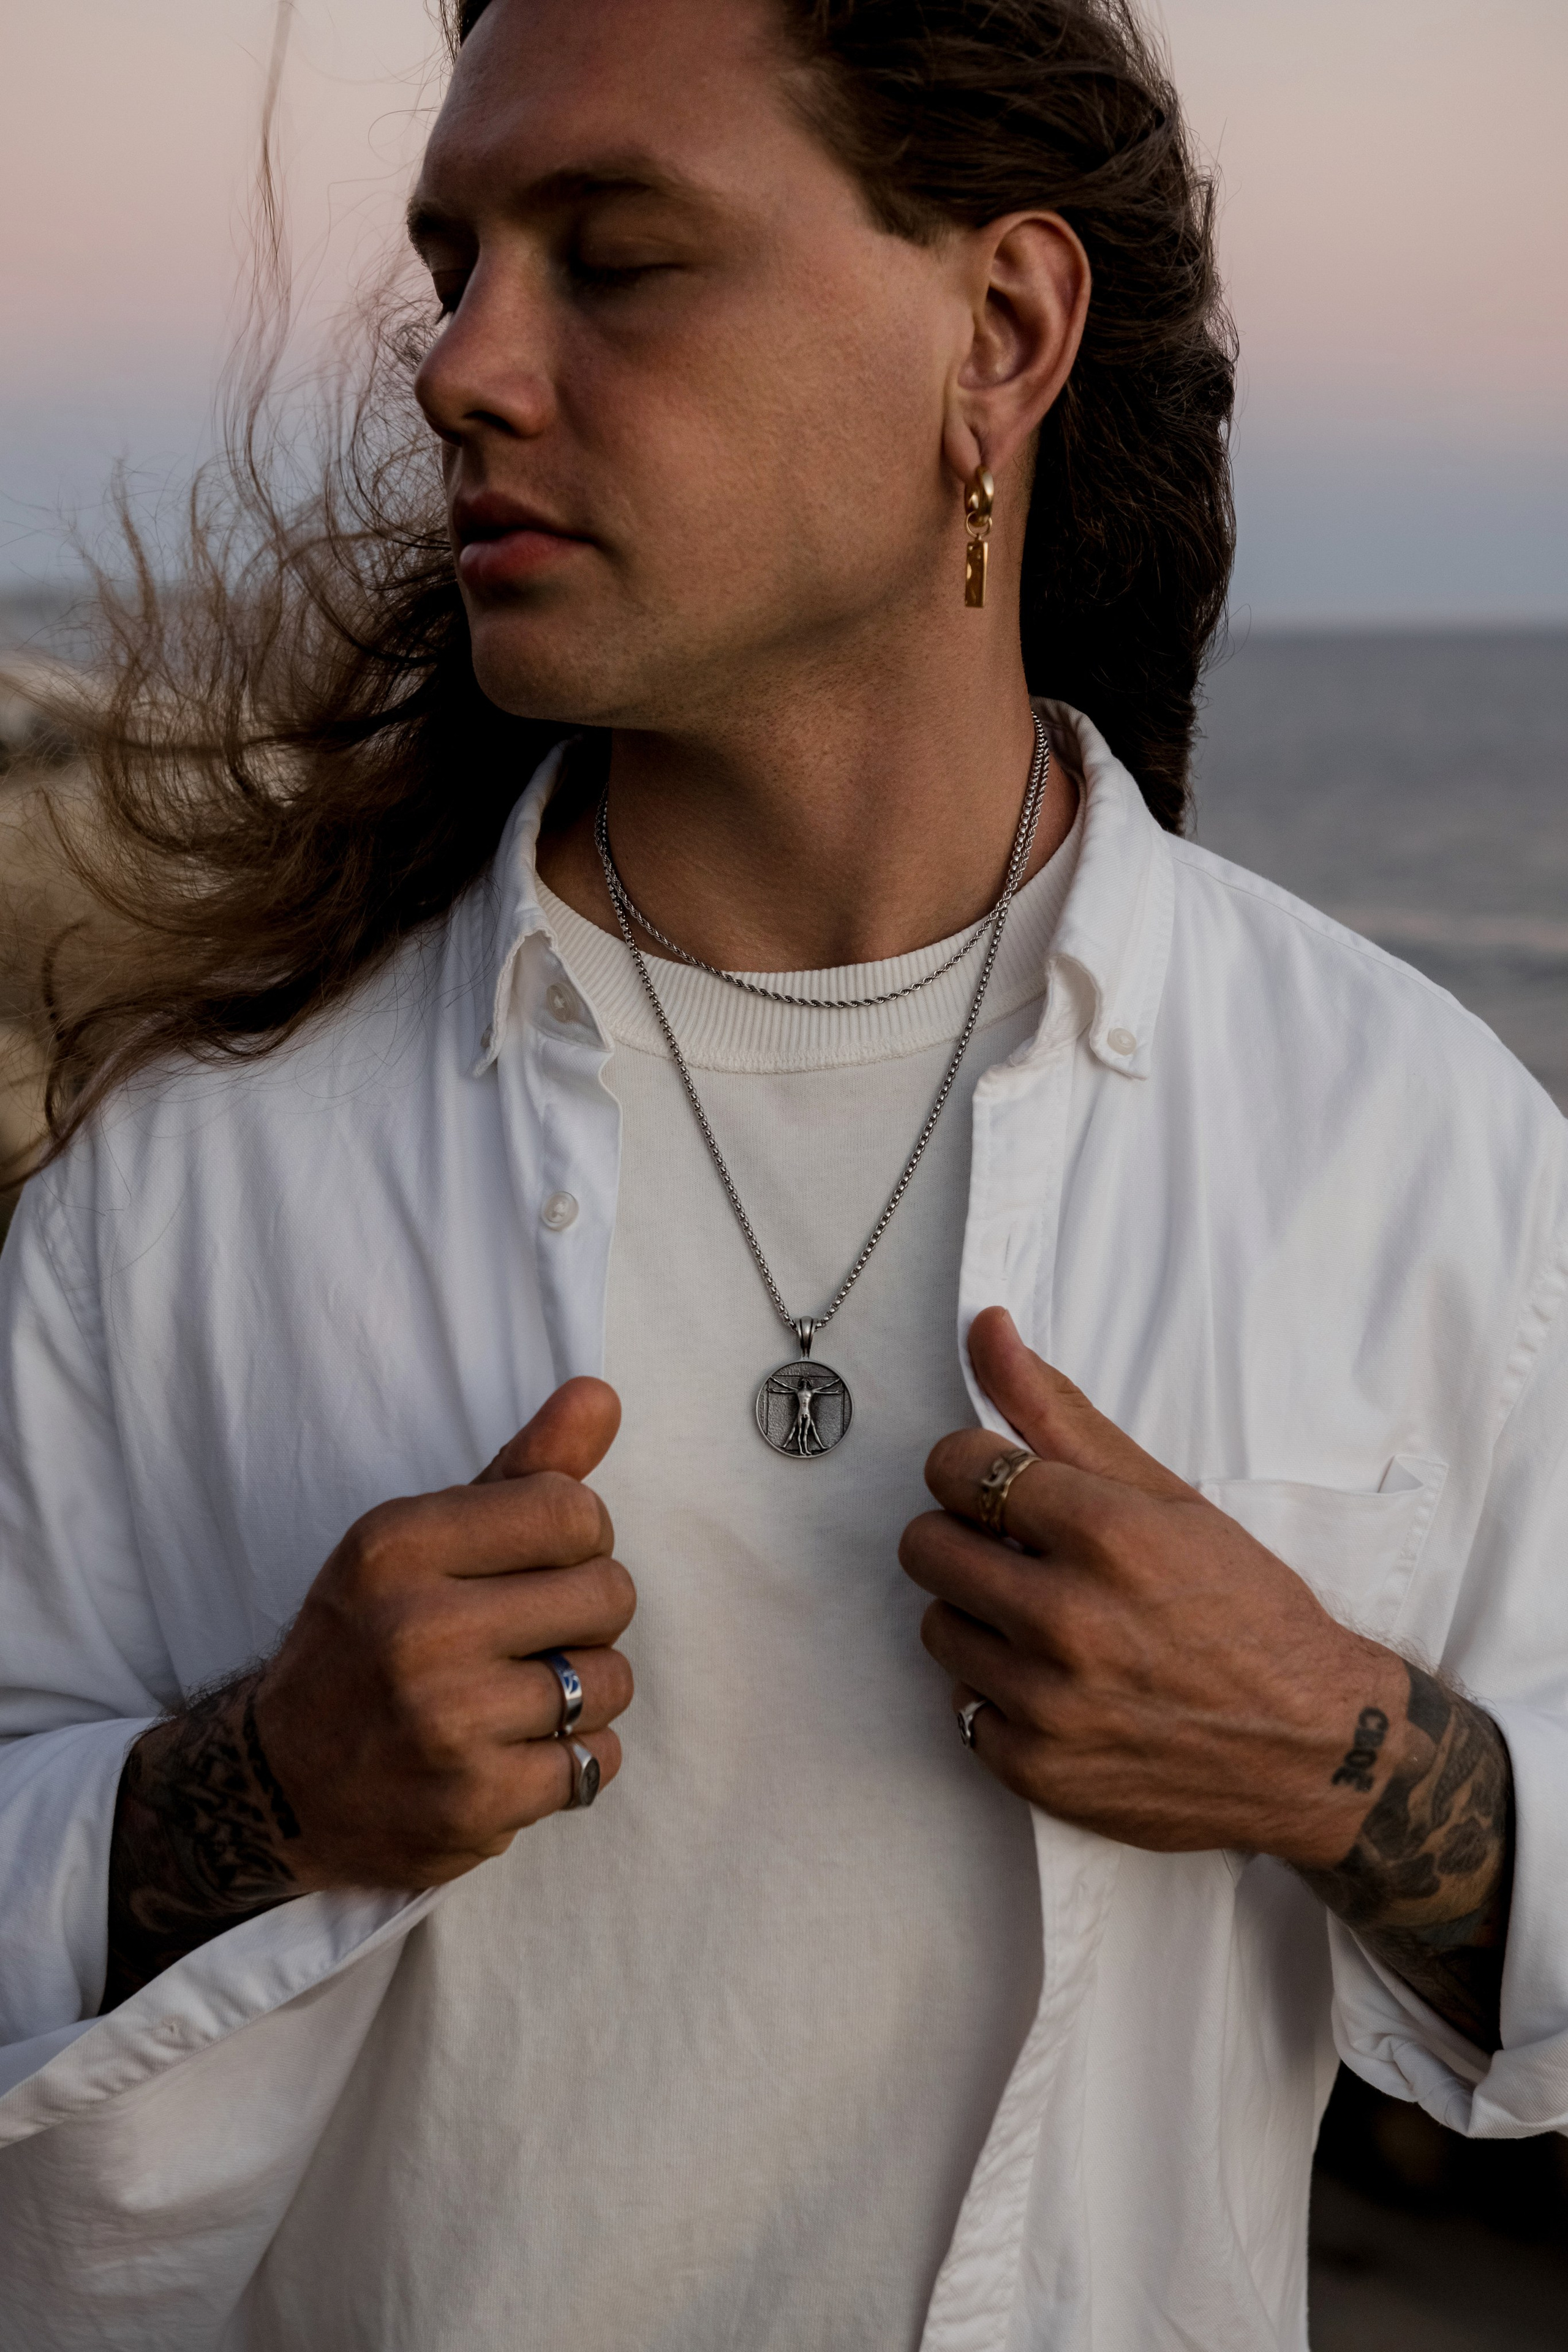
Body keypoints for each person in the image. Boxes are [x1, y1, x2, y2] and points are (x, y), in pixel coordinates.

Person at [2, 0, 1566, 2344]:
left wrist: (1337, 1748)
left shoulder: (1407, 1141)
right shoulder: (199, 1170)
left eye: (615, 261)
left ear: (1003, 333)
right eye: (454, 269)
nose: (463, 370)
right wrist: (258, 1790)